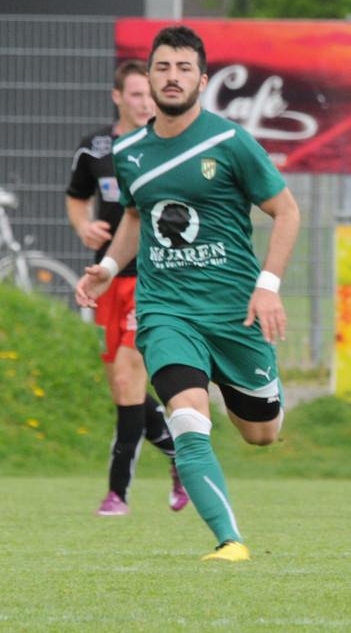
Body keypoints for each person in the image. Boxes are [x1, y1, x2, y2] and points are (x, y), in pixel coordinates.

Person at [75, 25, 301, 562]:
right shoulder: (128, 151)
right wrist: (109, 266)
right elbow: (135, 215)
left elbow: (287, 211)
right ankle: (230, 541)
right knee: (187, 417)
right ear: (149, 79)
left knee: (261, 433)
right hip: (165, 311)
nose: (172, 77)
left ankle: (251, 391)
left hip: (235, 313)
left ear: (202, 80)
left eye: (183, 68)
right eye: (162, 67)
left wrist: (268, 287)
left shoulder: (229, 142)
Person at [66, 60, 189, 517]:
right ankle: (180, 452)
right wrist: (84, 226)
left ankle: (117, 493)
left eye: (149, 94)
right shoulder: (95, 149)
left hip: (153, 278)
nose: (144, 103)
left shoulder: (168, 147)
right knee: (124, 390)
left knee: (128, 378)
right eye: (136, 94)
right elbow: (76, 197)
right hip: (107, 278)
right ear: (118, 97)